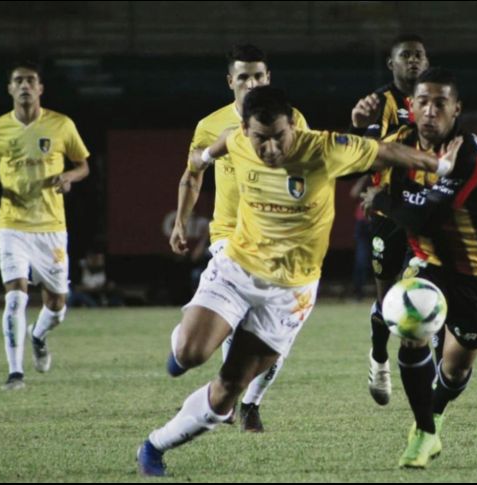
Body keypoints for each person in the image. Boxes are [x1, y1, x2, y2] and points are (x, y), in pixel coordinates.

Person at [137, 86, 451, 477]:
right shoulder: (236, 140)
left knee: (228, 390)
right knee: (190, 354)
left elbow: (386, 152)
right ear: (245, 131)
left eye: (279, 137)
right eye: (260, 139)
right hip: (237, 268)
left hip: (291, 292)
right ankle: (180, 351)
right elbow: (212, 151)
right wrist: (200, 159)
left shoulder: (322, 148)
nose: (269, 148)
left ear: (293, 127)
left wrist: (438, 166)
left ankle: (153, 446)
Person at [367, 68, 477, 468]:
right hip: (428, 263)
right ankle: (424, 431)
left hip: (475, 273)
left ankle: (437, 410)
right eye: (423, 102)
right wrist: (358, 127)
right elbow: (360, 171)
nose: (430, 111)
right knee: (410, 331)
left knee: (456, 367)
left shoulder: (469, 156)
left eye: (440, 103)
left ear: (456, 109)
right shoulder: (398, 144)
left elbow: (425, 217)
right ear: (410, 106)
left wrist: (385, 201)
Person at [168, 44, 310, 433]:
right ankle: (222, 389)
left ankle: (249, 402)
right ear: (231, 81)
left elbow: (307, 173)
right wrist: (181, 221)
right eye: (243, 76)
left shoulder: (292, 120)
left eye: (258, 76)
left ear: (269, 79)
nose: (251, 83)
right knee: (242, 321)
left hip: (278, 243)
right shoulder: (211, 126)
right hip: (228, 235)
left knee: (273, 339)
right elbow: (193, 173)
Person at [0, 61, 90, 391]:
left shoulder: (61, 125)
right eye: (18, 81)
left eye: (30, 80)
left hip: (51, 226)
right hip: (12, 224)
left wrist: (67, 177)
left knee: (57, 305)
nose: (24, 85)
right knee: (15, 299)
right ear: (10, 89)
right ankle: (14, 373)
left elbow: (83, 166)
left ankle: (38, 335)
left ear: (40, 88)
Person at [349, 34, 430, 405]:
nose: (413, 61)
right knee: (385, 301)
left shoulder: (436, 99)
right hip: (388, 210)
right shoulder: (381, 103)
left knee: (430, 290)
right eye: (405, 55)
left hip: (427, 210)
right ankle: (379, 359)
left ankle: (426, 370)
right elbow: (368, 156)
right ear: (391, 63)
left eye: (418, 55)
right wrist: (360, 125)